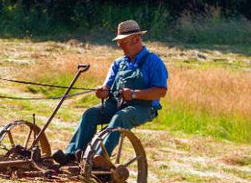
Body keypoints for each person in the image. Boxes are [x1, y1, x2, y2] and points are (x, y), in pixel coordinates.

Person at [52, 20, 168, 165]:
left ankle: (100, 159)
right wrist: (102, 92)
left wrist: (133, 94)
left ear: (136, 39)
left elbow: (161, 91)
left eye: (123, 42)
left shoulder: (154, 62)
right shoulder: (118, 63)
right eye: (119, 42)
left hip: (143, 108)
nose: (119, 46)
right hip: (115, 104)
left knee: (120, 118)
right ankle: (73, 155)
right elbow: (107, 87)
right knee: (90, 114)